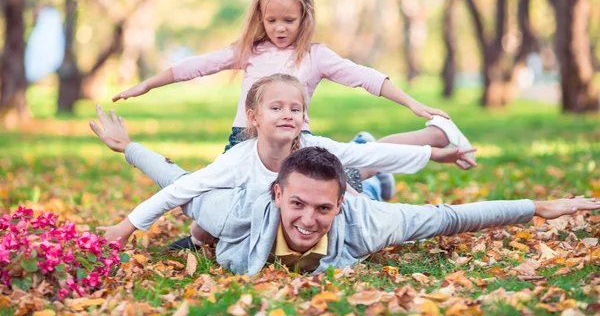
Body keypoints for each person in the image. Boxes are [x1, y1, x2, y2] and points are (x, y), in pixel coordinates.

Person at [110, 0, 475, 198]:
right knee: (215, 199)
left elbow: (366, 78)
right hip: (245, 141)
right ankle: (378, 179)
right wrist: (146, 85)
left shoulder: (315, 56)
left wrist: (413, 103)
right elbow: (195, 66)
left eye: (289, 20)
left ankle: (434, 134)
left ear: (305, 16)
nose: (280, 28)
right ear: (260, 17)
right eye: (272, 20)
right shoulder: (248, 51)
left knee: (350, 176)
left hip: (296, 141)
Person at [91, 120, 600, 275]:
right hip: (330, 178)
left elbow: (450, 218)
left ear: (338, 205)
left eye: (321, 208)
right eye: (296, 204)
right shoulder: (234, 212)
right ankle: (359, 155)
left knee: (371, 173)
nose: (308, 220)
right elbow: (178, 182)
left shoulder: (368, 220)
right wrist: (129, 147)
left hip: (366, 191)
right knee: (357, 158)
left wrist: (538, 207)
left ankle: (364, 163)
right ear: (276, 194)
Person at [91, 74, 477, 250]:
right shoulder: (238, 161)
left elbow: (373, 155)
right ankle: (377, 186)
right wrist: (126, 227)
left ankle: (378, 183)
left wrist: (433, 154)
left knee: (360, 176)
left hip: (330, 197)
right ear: (253, 117)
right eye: (276, 107)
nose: (287, 113)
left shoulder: (310, 144)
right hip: (292, 209)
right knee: (365, 180)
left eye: (295, 108)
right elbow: (179, 188)